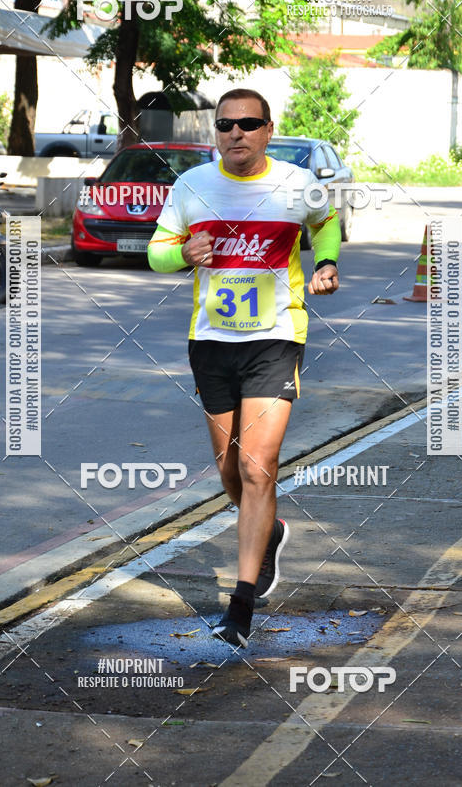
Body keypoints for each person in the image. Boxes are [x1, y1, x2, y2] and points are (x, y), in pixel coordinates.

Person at [147, 88, 340, 647]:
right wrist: (181, 255)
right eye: (226, 125)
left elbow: (324, 222)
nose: (236, 133)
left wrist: (324, 260)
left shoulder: (294, 183)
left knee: (259, 468)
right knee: (232, 473)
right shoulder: (192, 187)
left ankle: (241, 605)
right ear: (216, 132)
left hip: (275, 338)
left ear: (267, 130)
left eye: (248, 124)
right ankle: (271, 529)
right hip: (211, 342)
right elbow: (156, 251)